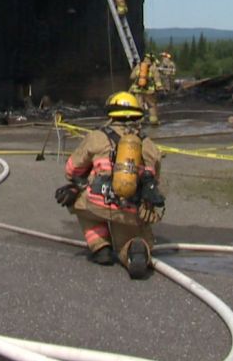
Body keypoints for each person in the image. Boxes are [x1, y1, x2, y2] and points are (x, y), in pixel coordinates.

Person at [55, 91, 166, 279]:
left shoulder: (96, 137)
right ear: (138, 115)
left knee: (76, 202)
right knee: (132, 241)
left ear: (111, 114)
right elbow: (155, 183)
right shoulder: (149, 145)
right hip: (132, 210)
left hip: (97, 203)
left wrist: (81, 181)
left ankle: (100, 247)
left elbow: (71, 171)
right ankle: (134, 249)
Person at [129, 53, 160, 125]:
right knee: (151, 105)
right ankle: (153, 121)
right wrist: (159, 87)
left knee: (139, 105)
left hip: (138, 90)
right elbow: (157, 79)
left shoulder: (139, 66)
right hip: (149, 91)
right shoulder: (153, 67)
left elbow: (132, 77)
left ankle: (140, 120)